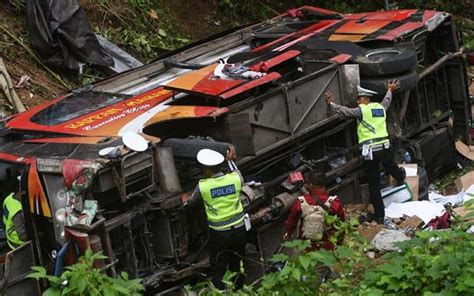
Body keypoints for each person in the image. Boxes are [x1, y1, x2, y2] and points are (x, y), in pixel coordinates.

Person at [324, 81, 405, 224]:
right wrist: (390, 90)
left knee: (373, 184)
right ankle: (400, 175)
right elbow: (387, 100)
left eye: (359, 98)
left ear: (365, 99)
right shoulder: (380, 107)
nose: (357, 101)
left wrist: (331, 104)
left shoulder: (362, 110)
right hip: (385, 146)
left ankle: (379, 216)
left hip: (371, 151)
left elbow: (346, 111)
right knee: (390, 165)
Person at [182, 146, 246, 290]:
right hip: (239, 229)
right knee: (237, 263)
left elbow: (191, 203)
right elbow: (237, 173)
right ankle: (239, 291)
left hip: (219, 234)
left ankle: (219, 292)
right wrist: (230, 161)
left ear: (207, 170)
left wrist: (185, 200)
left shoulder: (203, 186)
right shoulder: (236, 179)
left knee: (218, 267)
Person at [283, 171, 345, 250]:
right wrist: (339, 242)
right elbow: (341, 224)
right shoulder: (334, 202)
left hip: (305, 247)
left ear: (311, 185)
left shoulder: (301, 202)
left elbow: (291, 223)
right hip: (326, 248)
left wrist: (288, 234)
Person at [3, 177, 27, 249]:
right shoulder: (17, 211)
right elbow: (23, 236)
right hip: (18, 245)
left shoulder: (8, 198)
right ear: (19, 191)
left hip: (9, 238)